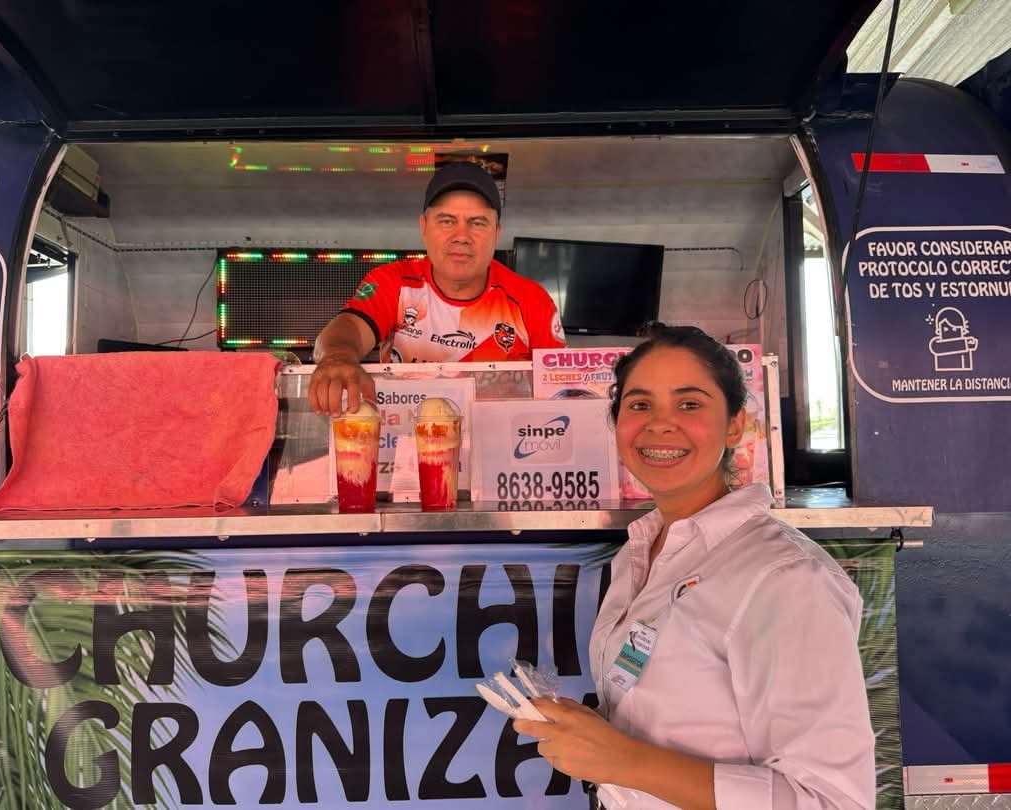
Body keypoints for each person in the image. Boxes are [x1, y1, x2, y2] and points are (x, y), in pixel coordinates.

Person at [513, 324, 875, 810]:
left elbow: (831, 801)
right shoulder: (639, 554)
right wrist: (601, 735)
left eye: (689, 404)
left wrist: (622, 760)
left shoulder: (786, 579)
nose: (660, 425)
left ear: (735, 425)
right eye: (639, 404)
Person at [308, 161, 566, 415]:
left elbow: (560, 394)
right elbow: (350, 327)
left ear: (497, 233)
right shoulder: (393, 282)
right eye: (446, 221)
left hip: (499, 439)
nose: (462, 236)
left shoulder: (532, 300)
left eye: (478, 223)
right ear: (424, 227)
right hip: (405, 437)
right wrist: (338, 357)